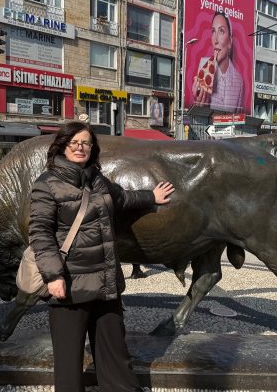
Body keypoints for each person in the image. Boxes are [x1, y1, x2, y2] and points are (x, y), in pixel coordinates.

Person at [30, 121, 174, 392]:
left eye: (86, 142)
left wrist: (151, 196)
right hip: (70, 286)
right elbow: (40, 233)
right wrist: (53, 275)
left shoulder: (97, 179)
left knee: (115, 356)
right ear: (62, 146)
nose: (80, 147)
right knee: (69, 363)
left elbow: (121, 199)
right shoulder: (47, 184)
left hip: (106, 284)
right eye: (74, 142)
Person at [191, 11, 244, 113]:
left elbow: (238, 119)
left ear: (230, 42)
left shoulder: (239, 80)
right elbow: (196, 114)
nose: (215, 40)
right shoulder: (203, 65)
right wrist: (198, 106)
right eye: (213, 31)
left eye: (221, 31)